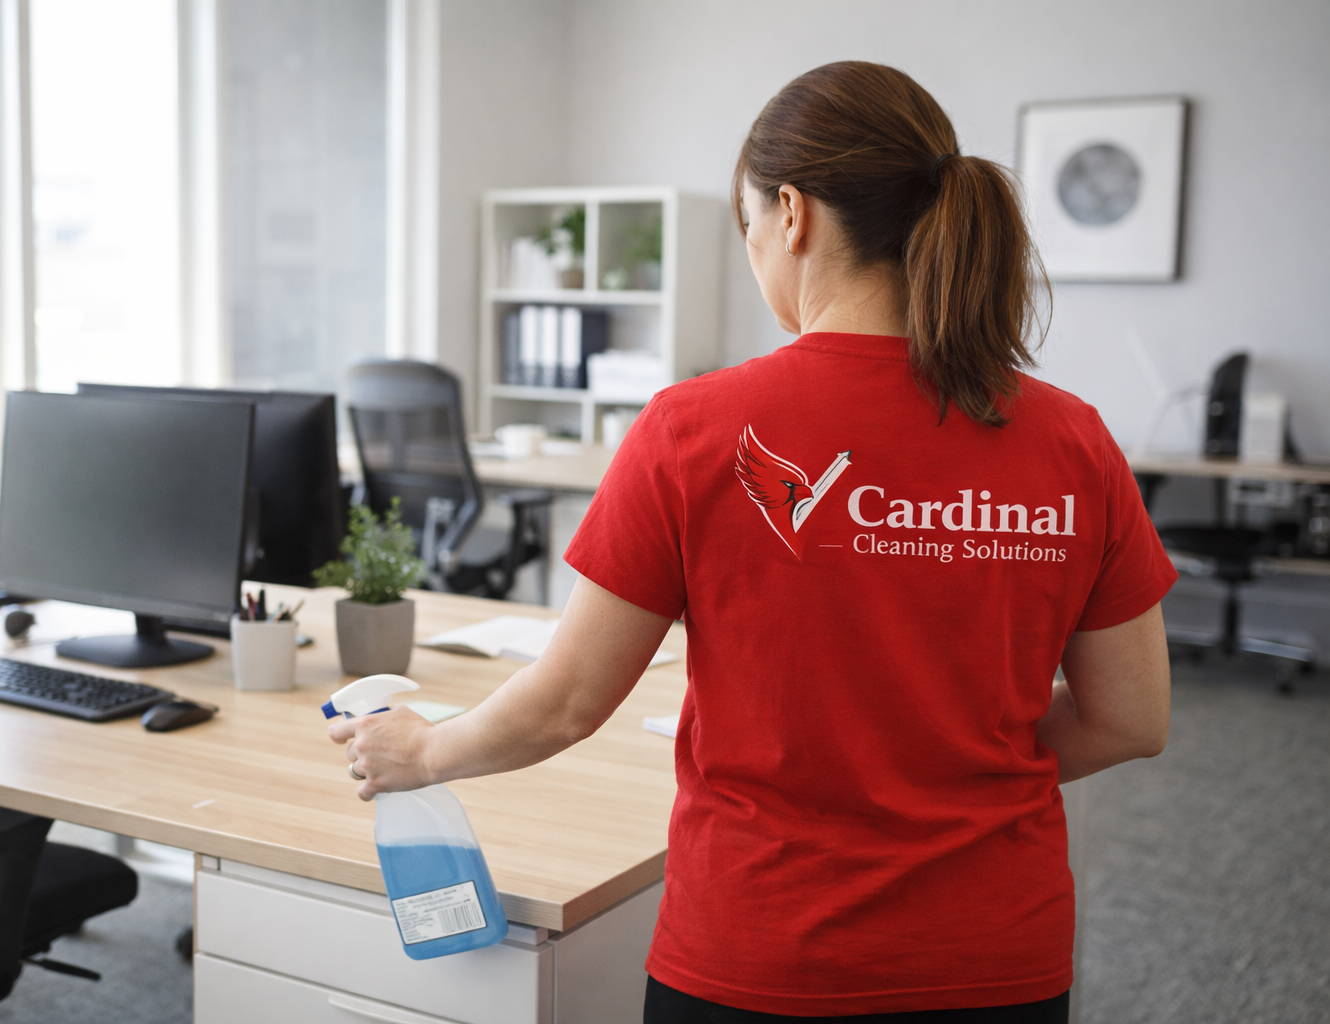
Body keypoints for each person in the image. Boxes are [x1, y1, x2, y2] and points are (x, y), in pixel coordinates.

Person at [330, 61, 1175, 1023]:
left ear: (791, 214)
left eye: (746, 230)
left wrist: (421, 755)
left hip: (764, 957)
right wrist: (955, 770)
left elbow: (564, 703)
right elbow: (1130, 721)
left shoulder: (697, 429)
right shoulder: (1073, 440)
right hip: (995, 958)